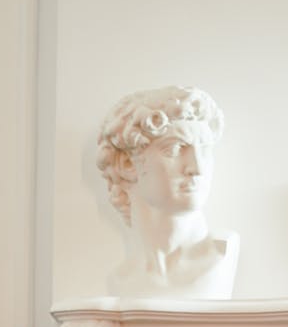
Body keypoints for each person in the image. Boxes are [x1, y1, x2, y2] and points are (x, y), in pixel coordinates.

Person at [96, 85, 239, 298]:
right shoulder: (122, 279)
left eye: (205, 150)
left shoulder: (221, 256)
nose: (197, 168)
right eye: (175, 149)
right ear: (128, 164)